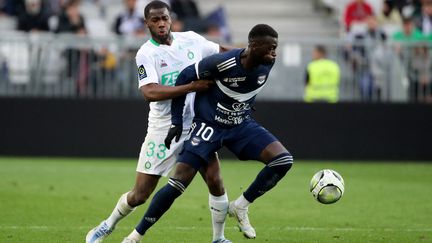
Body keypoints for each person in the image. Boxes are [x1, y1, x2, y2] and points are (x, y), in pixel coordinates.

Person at [85, 1, 233, 243]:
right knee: (140, 194)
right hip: (164, 128)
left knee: (215, 179)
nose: (161, 23)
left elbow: (222, 51)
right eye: (155, 20)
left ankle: (219, 238)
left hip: (197, 124)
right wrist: (191, 86)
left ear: (170, 18)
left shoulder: (192, 40)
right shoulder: (146, 53)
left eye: (164, 18)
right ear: (147, 23)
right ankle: (107, 224)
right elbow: (150, 92)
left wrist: (249, 56)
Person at [132, 24, 293, 241]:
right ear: (253, 46)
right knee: (178, 182)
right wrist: (177, 122)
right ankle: (135, 236)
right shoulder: (222, 63)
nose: (274, 53)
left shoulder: (268, 62)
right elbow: (184, 77)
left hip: (240, 125)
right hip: (209, 126)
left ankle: (241, 206)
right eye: (271, 48)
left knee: (283, 160)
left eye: (276, 48)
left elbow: (246, 88)